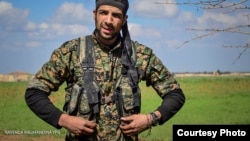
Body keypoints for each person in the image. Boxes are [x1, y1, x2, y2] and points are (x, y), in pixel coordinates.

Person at [25, 0, 185, 141]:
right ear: (95, 14)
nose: (109, 20)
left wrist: (150, 119)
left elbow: (175, 95)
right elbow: (34, 92)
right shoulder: (71, 52)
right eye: (103, 13)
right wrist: (63, 120)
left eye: (116, 15)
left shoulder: (141, 55)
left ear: (124, 20)